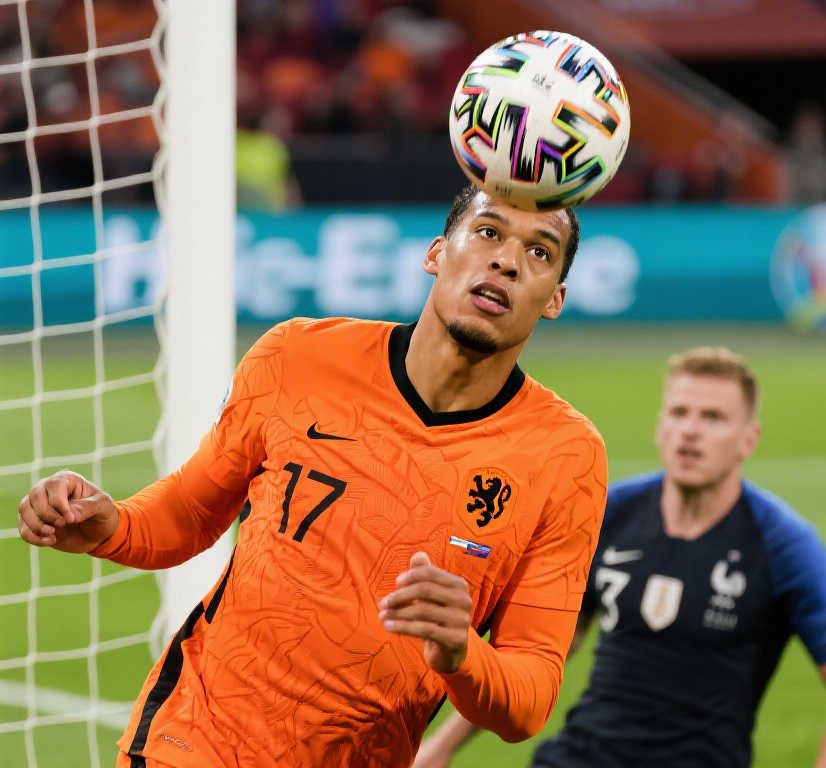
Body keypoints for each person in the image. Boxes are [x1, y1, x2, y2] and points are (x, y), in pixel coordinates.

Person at [16, 185, 608, 768]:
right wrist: (111, 525)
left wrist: (463, 654)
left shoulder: (567, 457)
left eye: (539, 251)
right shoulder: (297, 356)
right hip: (196, 742)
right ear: (436, 253)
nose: (506, 261)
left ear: (554, 299)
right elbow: (192, 512)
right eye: (487, 232)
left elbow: (528, 701)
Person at [415, 347, 826, 768]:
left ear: (748, 439)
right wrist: (441, 747)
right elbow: (551, 645)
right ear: (660, 427)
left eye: (713, 418)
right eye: (679, 413)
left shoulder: (782, 543)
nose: (690, 430)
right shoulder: (612, 512)